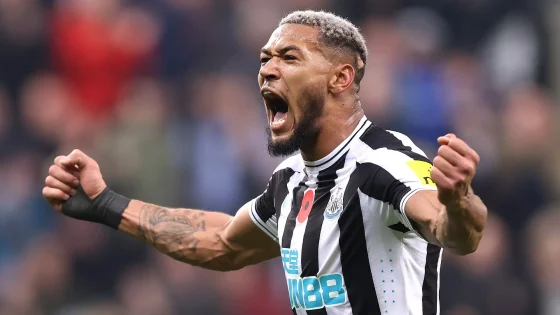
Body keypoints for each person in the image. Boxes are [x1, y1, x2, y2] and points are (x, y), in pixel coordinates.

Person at [42, 10, 488, 315]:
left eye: (289, 57)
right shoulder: (290, 180)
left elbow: (453, 231)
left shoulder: (384, 161)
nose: (267, 70)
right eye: (265, 59)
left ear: (341, 77)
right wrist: (107, 204)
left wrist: (459, 200)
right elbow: (223, 242)